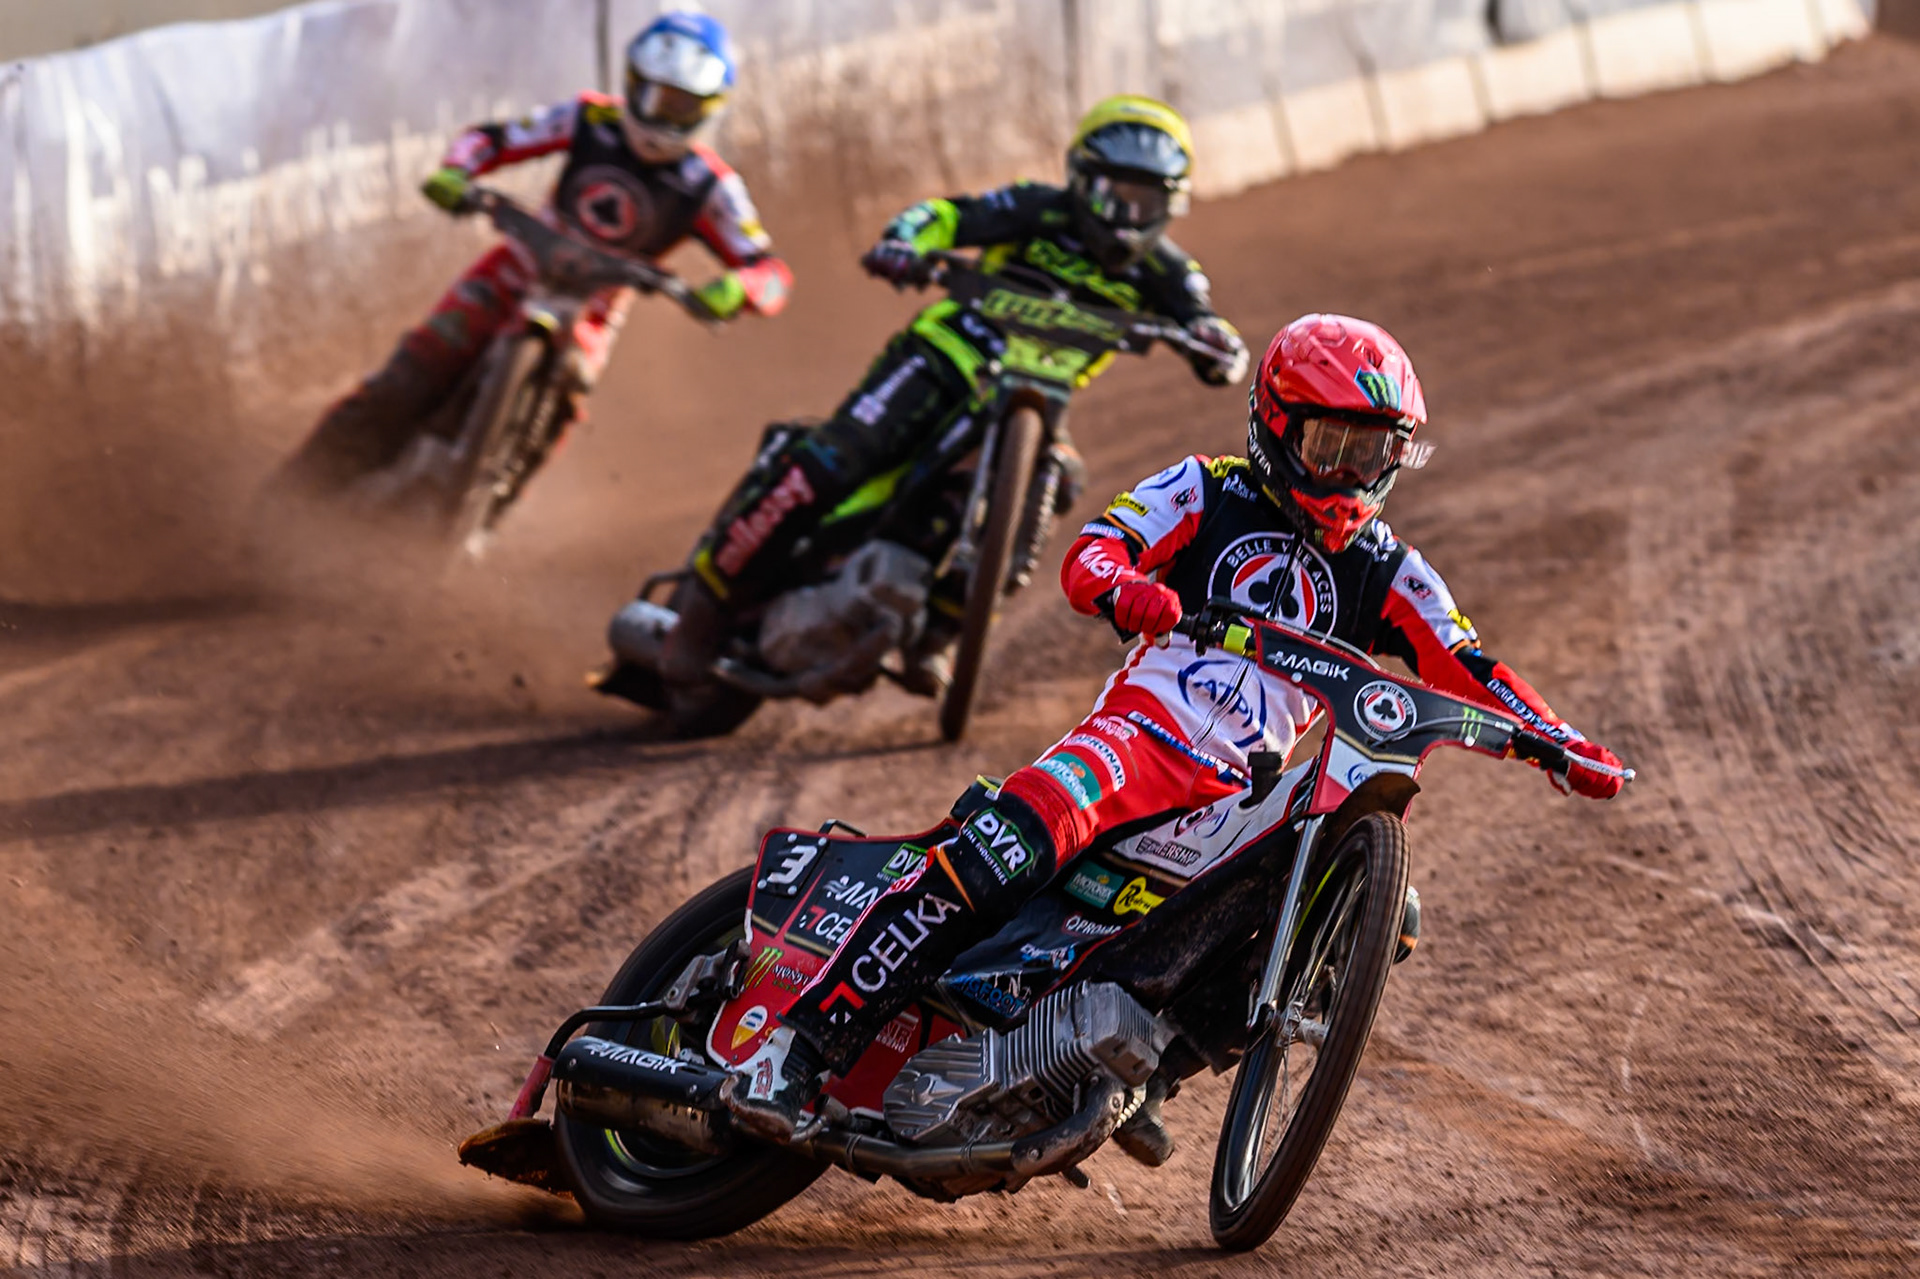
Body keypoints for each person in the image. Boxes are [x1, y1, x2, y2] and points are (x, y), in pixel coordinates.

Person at [724, 312, 1629, 1144]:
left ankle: (1146, 1072)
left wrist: (1560, 742)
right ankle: (796, 1048)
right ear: (1275, 426)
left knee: (1369, 910)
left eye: (1371, 452)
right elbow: (1091, 554)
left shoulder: (1390, 567)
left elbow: (1468, 665)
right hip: (1136, 741)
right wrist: (1130, 589)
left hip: (1239, 795)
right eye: (1329, 444)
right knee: (1011, 842)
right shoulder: (1206, 488)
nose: (1349, 473)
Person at [631, 95, 1249, 697]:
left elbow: (1204, 318)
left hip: (1039, 402)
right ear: (1081, 178)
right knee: (834, 461)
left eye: (1145, 201)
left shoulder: (1168, 271)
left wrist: (1216, 343)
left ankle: (943, 631)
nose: (1126, 215)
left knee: (1057, 481)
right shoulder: (1036, 209)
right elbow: (949, 216)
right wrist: (908, 240)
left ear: (1172, 203)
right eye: (1115, 193)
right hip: (945, 357)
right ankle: (706, 609)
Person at [284, 11, 791, 493]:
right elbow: (497, 138)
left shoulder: (712, 186)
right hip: (516, 269)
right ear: (633, 84)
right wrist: (456, 172)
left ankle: (487, 511)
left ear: (708, 110)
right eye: (656, 97)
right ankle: (297, 491)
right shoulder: (591, 118)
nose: (664, 115)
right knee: (417, 367)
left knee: (565, 402)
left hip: (593, 308)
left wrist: (738, 289)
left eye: (682, 107)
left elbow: (769, 270)